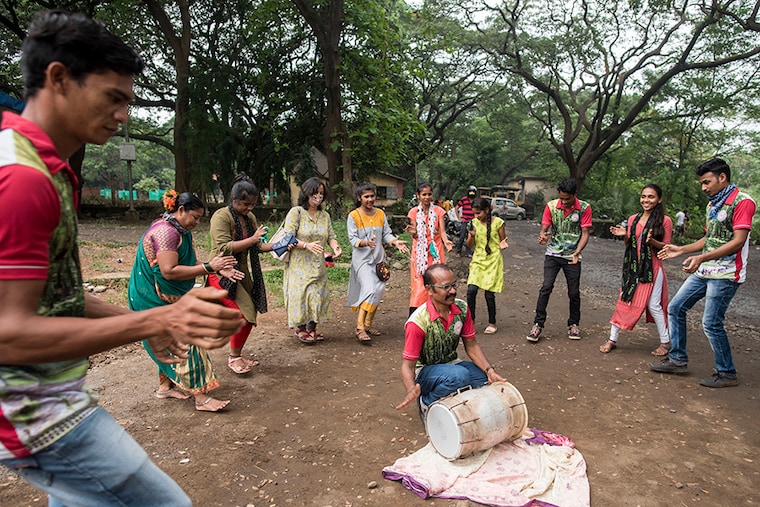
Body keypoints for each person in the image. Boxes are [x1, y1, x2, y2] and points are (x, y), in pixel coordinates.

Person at [0, 10, 242, 506]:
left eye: (128, 101)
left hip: (49, 399)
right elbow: (10, 332)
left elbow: (57, 296)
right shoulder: (23, 180)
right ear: (59, 78)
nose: (124, 115)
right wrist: (159, 318)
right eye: (113, 98)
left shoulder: (45, 169)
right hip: (33, 413)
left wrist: (157, 322)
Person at [129, 191, 240, 412]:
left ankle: (165, 387)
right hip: (153, 297)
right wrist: (210, 267)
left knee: (168, 340)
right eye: (195, 217)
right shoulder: (165, 233)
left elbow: (188, 262)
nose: (197, 223)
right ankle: (201, 398)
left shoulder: (179, 230)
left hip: (163, 296)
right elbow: (169, 271)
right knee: (187, 340)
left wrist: (216, 268)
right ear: (180, 210)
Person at [650, 158, 756, 388]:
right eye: (701, 183)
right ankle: (677, 359)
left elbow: (738, 241)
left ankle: (727, 372)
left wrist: (701, 258)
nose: (704, 187)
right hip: (706, 269)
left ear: (722, 177)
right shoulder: (713, 204)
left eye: (707, 182)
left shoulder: (742, 202)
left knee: (711, 322)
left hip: (727, 273)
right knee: (676, 307)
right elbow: (711, 238)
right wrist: (683, 249)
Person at [395, 264, 506, 418]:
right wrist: (411, 389)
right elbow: (408, 366)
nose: (453, 291)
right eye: (446, 287)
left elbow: (472, 345)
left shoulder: (462, 308)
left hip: (451, 365)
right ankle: (427, 403)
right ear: (429, 290)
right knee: (459, 376)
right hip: (425, 372)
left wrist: (490, 371)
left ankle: (452, 406)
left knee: (483, 380)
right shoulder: (418, 322)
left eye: (454, 285)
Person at [209, 173, 275, 374]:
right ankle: (234, 357)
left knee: (249, 312)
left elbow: (257, 247)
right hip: (221, 271)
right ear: (234, 200)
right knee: (242, 315)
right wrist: (254, 239)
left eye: (253, 205)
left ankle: (236, 353)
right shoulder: (221, 216)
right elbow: (224, 247)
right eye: (245, 204)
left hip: (242, 271)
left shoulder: (249, 217)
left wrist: (281, 245)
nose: (249, 209)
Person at [600, 184, 672, 355]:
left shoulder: (665, 221)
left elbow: (667, 248)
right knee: (623, 299)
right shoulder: (633, 219)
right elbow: (629, 244)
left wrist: (653, 241)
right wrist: (624, 235)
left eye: (651, 197)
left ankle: (666, 342)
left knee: (654, 305)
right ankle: (612, 340)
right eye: (643, 196)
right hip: (632, 268)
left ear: (659, 199)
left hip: (652, 268)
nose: (646, 200)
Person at [526, 178, 592, 342]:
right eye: (561, 198)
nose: (564, 201)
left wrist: (577, 252)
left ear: (575, 195)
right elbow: (545, 228)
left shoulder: (584, 208)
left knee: (574, 292)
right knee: (546, 287)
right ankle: (538, 325)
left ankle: (573, 324)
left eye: (567, 198)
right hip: (553, 254)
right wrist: (542, 235)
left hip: (572, 255)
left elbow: (585, 233)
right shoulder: (551, 206)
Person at [347, 183, 409, 344]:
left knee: (379, 290)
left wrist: (396, 243)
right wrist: (365, 243)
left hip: (379, 259)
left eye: (372, 196)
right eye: (366, 196)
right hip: (362, 260)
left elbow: (387, 233)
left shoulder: (381, 213)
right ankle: (359, 327)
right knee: (369, 289)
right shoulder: (353, 215)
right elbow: (352, 239)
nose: (370, 199)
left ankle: (368, 324)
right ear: (359, 198)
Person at [283, 177, 342, 344]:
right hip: (299, 264)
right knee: (302, 295)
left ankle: (312, 328)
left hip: (318, 265)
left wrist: (336, 247)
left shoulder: (325, 216)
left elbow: (331, 236)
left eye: (322, 193)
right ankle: (300, 329)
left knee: (317, 295)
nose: (318, 196)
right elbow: (288, 237)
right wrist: (305, 245)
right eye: (315, 193)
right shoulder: (296, 212)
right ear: (307, 193)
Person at [405, 182, 453, 315]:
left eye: (429, 194)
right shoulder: (413, 212)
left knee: (437, 282)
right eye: (424, 194)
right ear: (418, 196)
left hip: (435, 251)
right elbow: (415, 234)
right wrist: (413, 232)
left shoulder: (439, 211)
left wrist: (446, 241)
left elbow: (442, 231)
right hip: (419, 253)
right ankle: (414, 318)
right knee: (419, 286)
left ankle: (437, 314)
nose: (427, 197)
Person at [465, 197, 509, 334]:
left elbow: (503, 240)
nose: (476, 216)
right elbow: (469, 245)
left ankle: (492, 323)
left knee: (489, 294)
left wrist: (503, 244)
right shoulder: (473, 223)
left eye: (478, 213)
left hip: (493, 260)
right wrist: (471, 236)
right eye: (474, 214)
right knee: (471, 290)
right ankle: (470, 320)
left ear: (487, 210)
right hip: (478, 259)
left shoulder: (498, 223)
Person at [454, 185, 477, 257]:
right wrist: (459, 218)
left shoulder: (476, 201)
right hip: (465, 220)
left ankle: (468, 252)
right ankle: (458, 252)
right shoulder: (464, 199)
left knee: (470, 237)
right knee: (462, 236)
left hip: (473, 221)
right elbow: (457, 207)